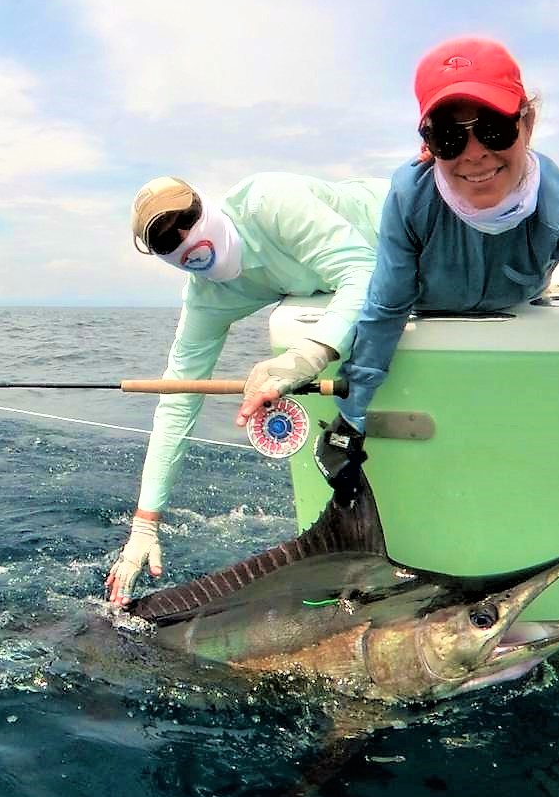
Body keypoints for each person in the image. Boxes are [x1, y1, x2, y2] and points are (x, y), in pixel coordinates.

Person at [316, 36, 559, 525]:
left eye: (493, 129)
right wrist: (351, 419)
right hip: (408, 275)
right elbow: (387, 309)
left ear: (527, 124)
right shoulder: (410, 198)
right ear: (427, 144)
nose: (474, 154)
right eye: (450, 138)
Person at [105, 172, 389, 606]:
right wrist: (145, 523)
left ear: (202, 203)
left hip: (415, 224)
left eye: (185, 218)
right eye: (164, 240)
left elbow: (366, 271)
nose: (181, 237)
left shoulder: (268, 202)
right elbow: (178, 397)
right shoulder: (206, 297)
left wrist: (304, 358)